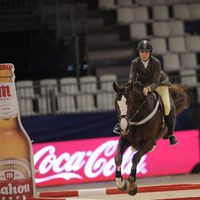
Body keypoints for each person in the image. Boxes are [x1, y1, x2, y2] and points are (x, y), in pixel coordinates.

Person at [113, 39, 177, 145]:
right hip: (143, 84)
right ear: (139, 52)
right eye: (142, 52)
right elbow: (132, 79)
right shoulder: (135, 62)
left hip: (160, 84)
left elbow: (155, 82)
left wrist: (149, 89)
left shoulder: (156, 62)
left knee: (166, 106)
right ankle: (122, 125)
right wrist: (129, 89)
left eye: (146, 52)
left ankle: (171, 134)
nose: (144, 54)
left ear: (150, 53)